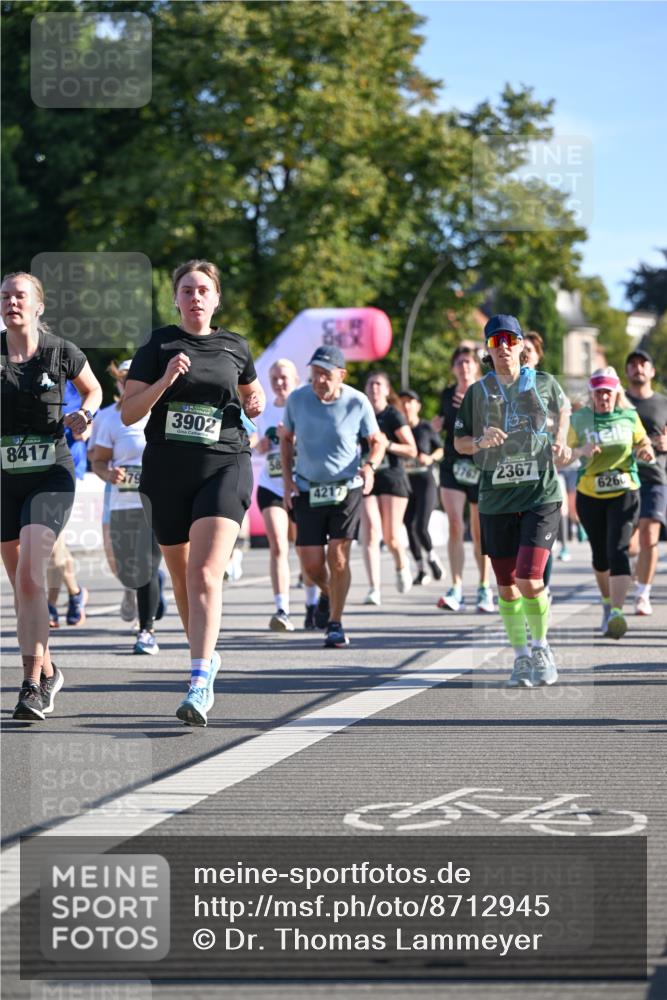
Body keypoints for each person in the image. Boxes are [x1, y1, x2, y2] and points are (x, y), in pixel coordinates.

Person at [122, 259, 265, 725]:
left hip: (225, 463)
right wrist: (165, 380)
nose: (195, 297)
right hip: (167, 470)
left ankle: (199, 680)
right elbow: (127, 413)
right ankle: (205, 656)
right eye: (187, 290)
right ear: (176, 298)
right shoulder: (157, 344)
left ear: (216, 298)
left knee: (206, 573)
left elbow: (251, 396)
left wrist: (256, 402)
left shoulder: (235, 346)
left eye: (204, 289)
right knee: (182, 577)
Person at [1, 271, 102, 720]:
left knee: (29, 573)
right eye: (4, 296)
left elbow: (93, 388)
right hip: (4, 478)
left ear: (38, 305)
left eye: (19, 296)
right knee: (25, 587)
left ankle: (29, 687)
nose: (11, 303)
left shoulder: (61, 351)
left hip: (51, 474)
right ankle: (48, 669)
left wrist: (86, 413)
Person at [454, 314, 571, 687]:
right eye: (494, 341)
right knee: (506, 586)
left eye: (509, 339)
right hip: (495, 500)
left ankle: (541, 646)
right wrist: (480, 441)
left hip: (540, 495)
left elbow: (565, 409)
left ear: (522, 344)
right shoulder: (478, 392)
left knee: (529, 577)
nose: (502, 345)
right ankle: (520, 658)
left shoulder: (544, 383)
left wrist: (562, 441)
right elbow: (460, 443)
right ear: (488, 350)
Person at [281, 345, 384, 648]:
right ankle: (328, 592)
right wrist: (287, 480)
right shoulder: (297, 399)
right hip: (308, 487)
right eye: (315, 374)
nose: (319, 381)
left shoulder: (357, 401)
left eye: (326, 375)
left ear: (341, 375)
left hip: (346, 487)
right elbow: (286, 439)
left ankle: (335, 623)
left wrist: (370, 467)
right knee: (311, 566)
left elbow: (377, 441)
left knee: (337, 556)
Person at [568, 367, 655, 638]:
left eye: (608, 391)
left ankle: (617, 612)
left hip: (624, 490)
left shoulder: (629, 416)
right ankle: (607, 603)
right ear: (592, 393)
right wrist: (580, 451)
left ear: (616, 392)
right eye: (599, 392)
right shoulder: (579, 419)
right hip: (590, 494)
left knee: (617, 548)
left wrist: (646, 451)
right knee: (600, 554)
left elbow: (644, 443)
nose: (603, 397)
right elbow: (564, 454)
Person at [92, 360, 163, 655]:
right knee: (128, 570)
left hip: (157, 503)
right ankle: (147, 591)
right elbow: (98, 460)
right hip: (123, 504)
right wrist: (109, 474)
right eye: (125, 379)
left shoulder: (161, 413)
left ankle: (146, 630)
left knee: (145, 566)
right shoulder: (110, 419)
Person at [253, 358, 319, 631]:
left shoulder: (307, 409)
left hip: (302, 487)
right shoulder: (264, 412)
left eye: (284, 378)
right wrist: (262, 445)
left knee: (306, 548)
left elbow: (318, 445)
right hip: (272, 487)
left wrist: (292, 438)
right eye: (275, 379)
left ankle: (313, 605)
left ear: (295, 380)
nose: (280, 383)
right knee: (279, 545)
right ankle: (282, 609)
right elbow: (253, 444)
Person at [434, 344, 494, 613]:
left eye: (468, 362)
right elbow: (443, 426)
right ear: (453, 368)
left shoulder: (486, 391)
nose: (464, 367)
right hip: (452, 465)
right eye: (459, 363)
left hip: (480, 465)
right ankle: (456, 586)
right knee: (456, 525)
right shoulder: (447, 394)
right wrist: (435, 427)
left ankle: (484, 587)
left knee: (480, 532)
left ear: (476, 366)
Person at [360, 372, 417, 604]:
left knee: (391, 536)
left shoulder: (393, 415)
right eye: (370, 384)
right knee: (371, 532)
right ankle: (374, 588)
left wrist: (388, 444)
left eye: (378, 384)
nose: (374, 388)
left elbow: (412, 450)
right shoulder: (359, 413)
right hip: (367, 476)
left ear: (386, 390)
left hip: (392, 477)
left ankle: (401, 563)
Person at [625, 349, 667, 616]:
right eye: (633, 365)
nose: (638, 368)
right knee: (629, 545)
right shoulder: (619, 402)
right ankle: (631, 570)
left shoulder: (663, 403)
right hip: (624, 477)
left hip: (655, 477)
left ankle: (643, 593)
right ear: (627, 372)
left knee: (650, 536)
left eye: (643, 364)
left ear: (651, 371)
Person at [47, 380, 92, 628]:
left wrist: (82, 427)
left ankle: (50, 605)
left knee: (52, 541)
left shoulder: (71, 385)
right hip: (27, 471)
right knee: (54, 542)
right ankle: (75, 594)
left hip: (63, 471)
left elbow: (86, 426)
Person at [399, 388, 444, 585]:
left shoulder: (426, 428)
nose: (406, 405)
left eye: (410, 401)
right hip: (406, 484)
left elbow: (441, 449)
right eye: (402, 402)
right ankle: (420, 569)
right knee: (408, 525)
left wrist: (430, 457)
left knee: (420, 525)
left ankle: (433, 558)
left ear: (418, 406)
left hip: (425, 482)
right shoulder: (397, 430)